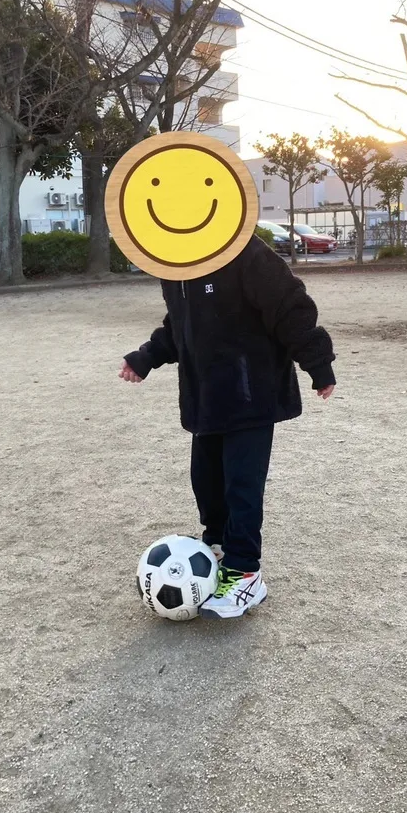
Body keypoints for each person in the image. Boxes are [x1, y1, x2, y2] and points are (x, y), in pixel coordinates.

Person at [119, 234, 336, 619]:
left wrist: (317, 362)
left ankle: (244, 573)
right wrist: (145, 358)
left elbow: (289, 304)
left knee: (242, 486)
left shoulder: (242, 249)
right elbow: (178, 326)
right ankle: (216, 551)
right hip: (206, 399)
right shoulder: (175, 264)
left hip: (250, 395)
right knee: (206, 481)